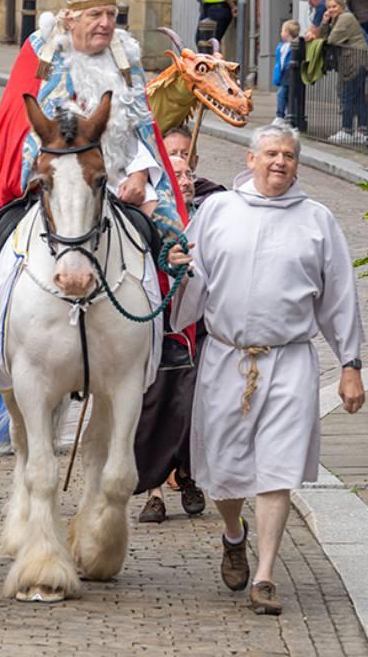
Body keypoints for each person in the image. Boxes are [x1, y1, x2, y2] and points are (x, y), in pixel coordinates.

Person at [0, 0, 188, 404]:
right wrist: (50, 170)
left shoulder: (125, 57)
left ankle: (166, 335)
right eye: (95, 16)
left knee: (173, 241)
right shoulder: (43, 51)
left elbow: (140, 125)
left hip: (115, 180)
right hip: (49, 176)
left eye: (111, 14)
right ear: (69, 18)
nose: (105, 24)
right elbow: (23, 122)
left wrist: (139, 174)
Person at [167, 123, 365, 616]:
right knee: (225, 472)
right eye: (272, 153)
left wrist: (351, 363)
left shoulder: (317, 221)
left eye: (289, 155)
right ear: (250, 159)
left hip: (289, 359)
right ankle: (234, 534)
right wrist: (180, 270)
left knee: (276, 467)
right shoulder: (217, 211)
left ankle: (265, 574)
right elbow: (191, 279)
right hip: (228, 356)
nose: (280, 162)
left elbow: (339, 296)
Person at [134, 137, 226, 524]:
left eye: (188, 172)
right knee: (150, 408)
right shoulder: (151, 216)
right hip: (156, 324)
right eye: (176, 174)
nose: (185, 180)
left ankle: (188, 474)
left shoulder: (215, 207)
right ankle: (153, 492)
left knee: (191, 407)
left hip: (198, 327)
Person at [323, 0, 368, 146]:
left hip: (355, 61)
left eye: (334, 6)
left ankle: (347, 129)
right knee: (358, 96)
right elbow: (326, 36)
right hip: (352, 61)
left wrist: (328, 25)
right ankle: (362, 130)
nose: (331, 10)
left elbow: (332, 40)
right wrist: (325, 22)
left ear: (341, 7)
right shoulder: (337, 19)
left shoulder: (345, 18)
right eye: (328, 7)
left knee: (349, 95)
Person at [272, 20, 301, 126]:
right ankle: (286, 117)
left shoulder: (295, 45)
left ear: (287, 33)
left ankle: (282, 116)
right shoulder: (281, 46)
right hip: (283, 74)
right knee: (284, 95)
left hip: (291, 75)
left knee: (285, 95)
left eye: (282, 31)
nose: (281, 33)